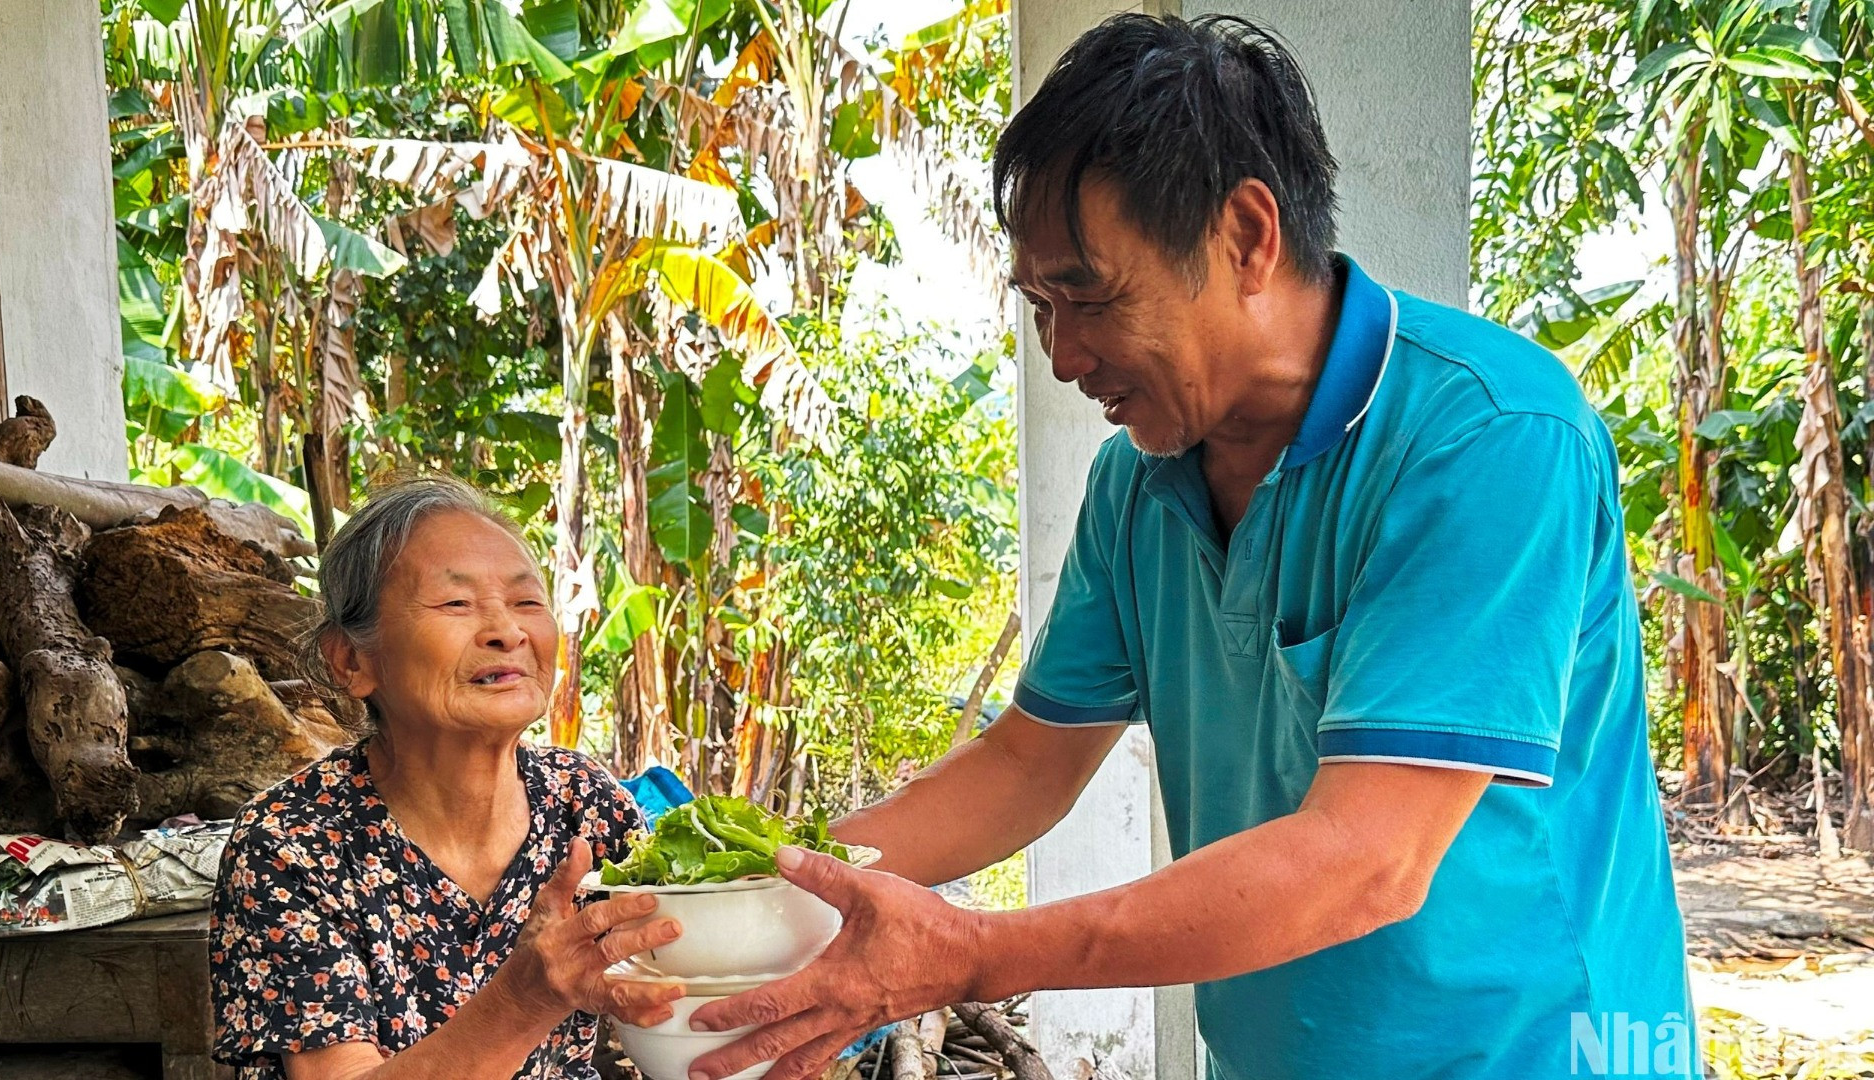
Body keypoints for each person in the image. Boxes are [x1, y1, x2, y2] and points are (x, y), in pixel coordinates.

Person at [685, 14, 1694, 1080]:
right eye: (1040, 306)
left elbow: (1368, 860)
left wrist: (971, 954)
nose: (1064, 355)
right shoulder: (1138, 485)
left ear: (1247, 237)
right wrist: (758, 889)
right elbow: (1027, 765)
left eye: (1090, 296)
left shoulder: (1490, 437)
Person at [208, 476, 685, 1080]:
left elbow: (683, 994)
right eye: (456, 604)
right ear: (351, 660)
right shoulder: (292, 843)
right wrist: (527, 998)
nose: (508, 631)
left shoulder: (584, 804)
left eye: (526, 602)